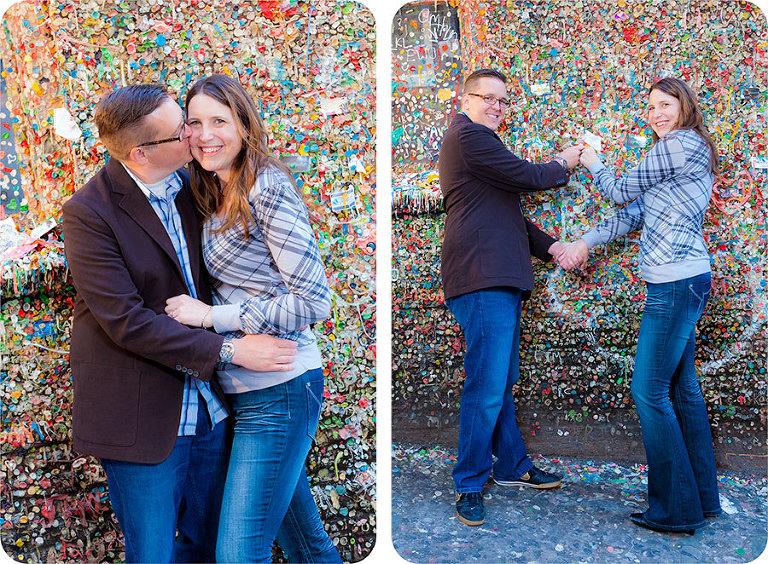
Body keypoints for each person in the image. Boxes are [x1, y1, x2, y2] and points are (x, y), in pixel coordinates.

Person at [62, 84, 298, 563]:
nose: (195, 136)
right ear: (140, 153)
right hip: (144, 416)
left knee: (210, 546)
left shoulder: (196, 184)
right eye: (183, 129)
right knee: (152, 554)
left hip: (212, 406)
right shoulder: (88, 213)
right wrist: (229, 350)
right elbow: (125, 321)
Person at [164, 74, 341, 563]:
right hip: (242, 391)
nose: (205, 135)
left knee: (240, 555)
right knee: (307, 546)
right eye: (193, 123)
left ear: (244, 125)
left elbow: (313, 301)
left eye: (219, 121)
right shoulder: (211, 188)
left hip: (280, 391)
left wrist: (211, 317)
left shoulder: (267, 186)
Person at [557, 77, 722, 534]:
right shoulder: (678, 153)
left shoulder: (677, 145)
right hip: (683, 280)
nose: (656, 114)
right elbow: (634, 213)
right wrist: (585, 242)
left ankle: (676, 509)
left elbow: (618, 190)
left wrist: (592, 161)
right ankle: (702, 500)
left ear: (684, 107)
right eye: (651, 107)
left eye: (665, 105)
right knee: (682, 390)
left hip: (674, 283)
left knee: (649, 392)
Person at [438, 68, 582, 527]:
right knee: (485, 386)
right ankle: (469, 483)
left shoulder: (481, 147)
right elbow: (527, 176)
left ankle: (512, 466)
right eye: (488, 97)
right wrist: (564, 164)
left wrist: (551, 247)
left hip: (497, 277)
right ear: (465, 99)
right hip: (482, 278)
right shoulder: (469, 137)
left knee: (497, 381)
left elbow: (506, 216)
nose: (497, 106)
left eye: (503, 100)